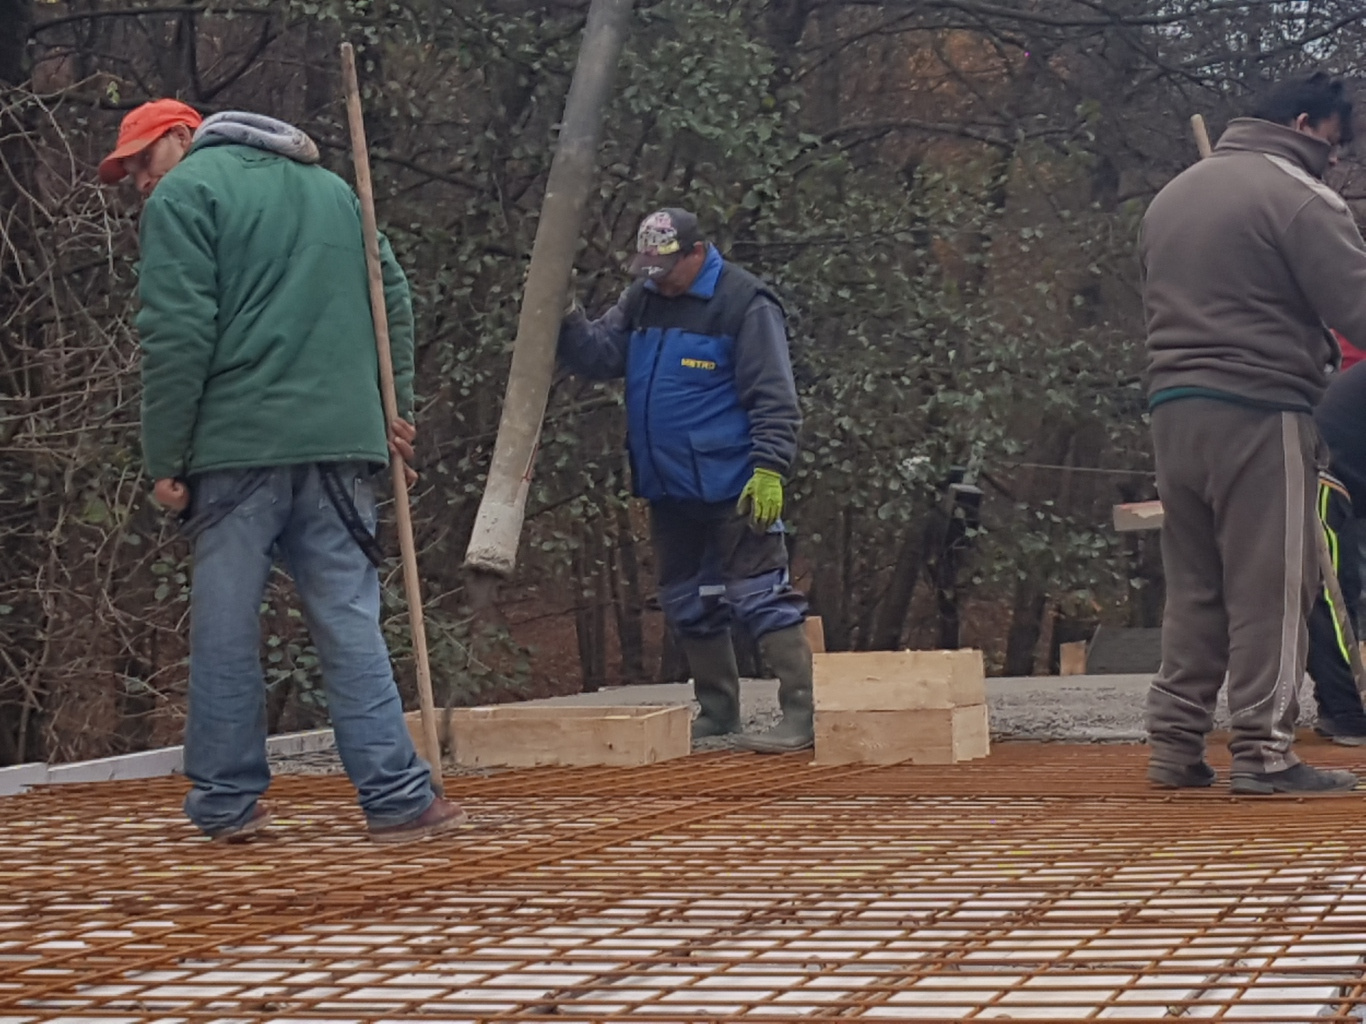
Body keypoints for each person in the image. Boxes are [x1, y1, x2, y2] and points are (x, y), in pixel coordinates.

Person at [101, 99, 464, 841]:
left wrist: (166, 457)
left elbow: (176, 333)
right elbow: (390, 296)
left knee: (227, 629)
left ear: (183, 136)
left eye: (143, 159)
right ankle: (400, 799)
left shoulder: (185, 196)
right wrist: (391, 410)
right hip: (343, 446)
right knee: (350, 619)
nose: (138, 180)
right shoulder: (334, 190)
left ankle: (226, 801)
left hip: (238, 449)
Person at [1139, 71, 1366, 794]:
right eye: (1334, 144)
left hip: (1173, 409)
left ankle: (1174, 746)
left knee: (1197, 588)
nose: (1336, 161)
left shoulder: (1174, 196)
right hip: (1262, 407)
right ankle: (1265, 754)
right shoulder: (1298, 198)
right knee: (1275, 584)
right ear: (1304, 124)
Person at [558, 208, 813, 752]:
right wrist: (565, 316)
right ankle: (719, 711)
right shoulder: (644, 298)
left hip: (735, 483)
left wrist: (770, 467)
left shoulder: (744, 303)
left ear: (697, 253)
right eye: (648, 267)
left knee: (761, 594)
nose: (656, 278)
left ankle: (801, 714)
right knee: (688, 600)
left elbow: (774, 395)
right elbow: (601, 355)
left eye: (666, 267)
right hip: (668, 484)